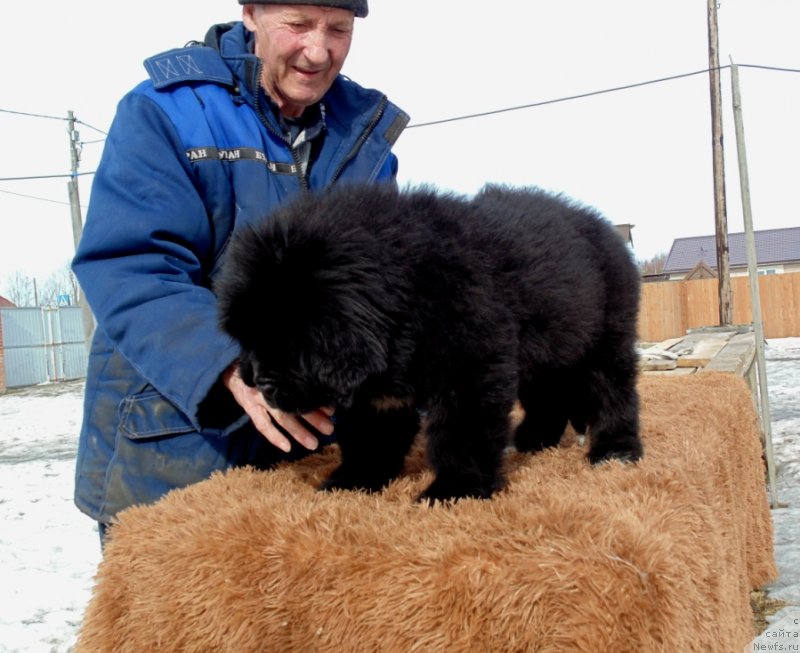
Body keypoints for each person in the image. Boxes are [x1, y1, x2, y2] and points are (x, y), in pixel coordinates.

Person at [71, 0, 409, 543]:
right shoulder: (166, 112)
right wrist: (235, 366)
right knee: (179, 626)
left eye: (339, 30)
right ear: (250, 13)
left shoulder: (364, 138)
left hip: (316, 457)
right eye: (298, 25)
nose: (318, 50)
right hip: (180, 450)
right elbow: (134, 267)